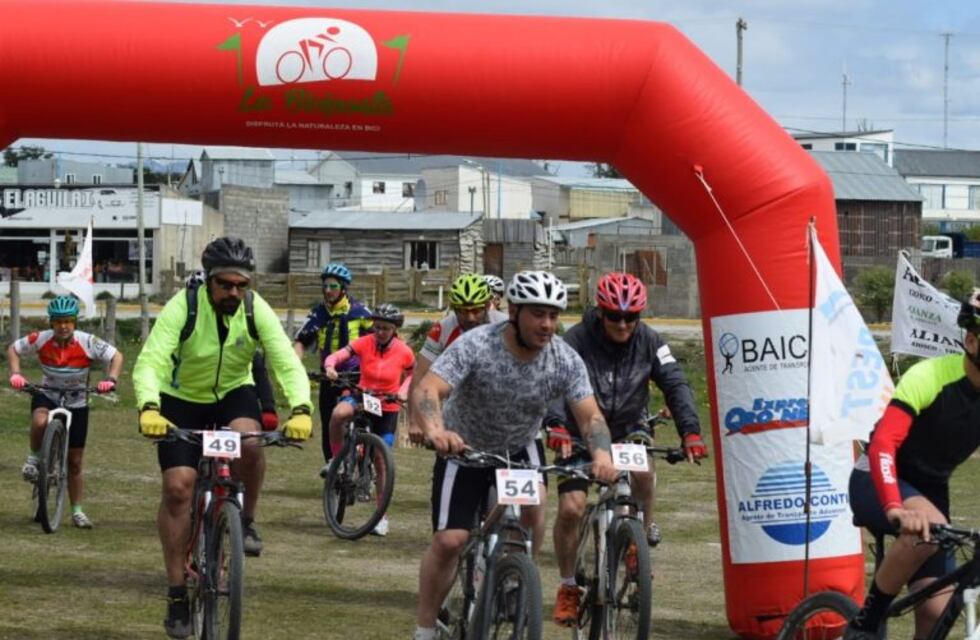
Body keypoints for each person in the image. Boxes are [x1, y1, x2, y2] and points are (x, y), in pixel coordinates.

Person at [409, 270, 620, 640]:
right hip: (465, 450)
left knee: (535, 502)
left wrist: (602, 454)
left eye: (554, 315)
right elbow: (428, 388)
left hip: (519, 448)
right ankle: (425, 628)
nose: (547, 324)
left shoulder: (563, 359)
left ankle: (517, 574)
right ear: (514, 311)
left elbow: (590, 416)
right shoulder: (477, 344)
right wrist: (436, 430)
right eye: (538, 314)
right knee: (450, 542)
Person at [133, 236, 313, 640]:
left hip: (233, 392)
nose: (234, 292)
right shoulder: (184, 306)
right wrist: (148, 406)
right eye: (226, 285)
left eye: (241, 285)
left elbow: (285, 361)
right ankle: (177, 591)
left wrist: (301, 408)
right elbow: (151, 361)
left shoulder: (254, 309)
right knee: (178, 488)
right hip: (180, 398)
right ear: (209, 280)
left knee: (250, 443)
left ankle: (245, 520)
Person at [545, 271, 707, 626]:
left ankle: (637, 545)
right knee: (572, 508)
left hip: (629, 426)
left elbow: (676, 383)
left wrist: (690, 432)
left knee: (644, 473)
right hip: (578, 429)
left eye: (631, 317)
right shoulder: (576, 339)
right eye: (614, 317)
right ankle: (568, 586)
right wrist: (556, 424)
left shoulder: (651, 341)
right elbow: (557, 383)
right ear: (600, 312)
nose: (622, 325)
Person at [843, 290, 980, 639]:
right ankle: (866, 623)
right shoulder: (930, 376)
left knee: (936, 617)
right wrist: (895, 507)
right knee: (929, 528)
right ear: (971, 340)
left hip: (931, 491)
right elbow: (883, 446)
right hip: (876, 479)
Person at [7, 295, 123, 529]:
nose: (63, 326)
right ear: (51, 323)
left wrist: (110, 379)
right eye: (58, 321)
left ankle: (77, 511)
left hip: (77, 399)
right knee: (40, 420)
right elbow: (13, 349)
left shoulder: (88, 341)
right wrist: (16, 373)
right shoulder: (41, 339)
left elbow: (116, 356)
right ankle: (33, 459)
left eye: (68, 321)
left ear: (75, 322)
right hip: (48, 393)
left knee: (75, 462)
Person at [323, 302, 415, 536]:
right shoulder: (364, 343)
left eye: (386, 328)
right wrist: (331, 366)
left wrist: (403, 390)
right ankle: (338, 460)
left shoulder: (404, 350)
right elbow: (338, 355)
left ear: (395, 329)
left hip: (387, 406)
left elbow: (415, 373)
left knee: (382, 462)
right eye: (377, 327)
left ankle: (381, 517)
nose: (380, 332)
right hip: (363, 397)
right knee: (338, 414)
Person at [407, 273, 507, 446]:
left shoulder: (506, 325)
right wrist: (415, 420)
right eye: (462, 311)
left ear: (487, 305)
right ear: (453, 308)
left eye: (476, 310)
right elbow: (420, 376)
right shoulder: (442, 329)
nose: (470, 318)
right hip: (459, 415)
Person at [293, 262, 373, 474]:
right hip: (329, 375)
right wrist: (295, 365)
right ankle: (333, 463)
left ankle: (369, 461)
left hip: (357, 376)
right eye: (325, 286)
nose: (328, 291)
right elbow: (301, 341)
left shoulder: (360, 312)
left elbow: (379, 340)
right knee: (329, 420)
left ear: (344, 288)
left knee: (368, 418)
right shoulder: (318, 314)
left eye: (333, 286)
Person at [186, 269, 278, 430]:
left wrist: (268, 409)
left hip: (234, 393)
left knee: (248, 441)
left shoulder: (244, 319)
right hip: (190, 394)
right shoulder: (186, 317)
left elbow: (260, 372)